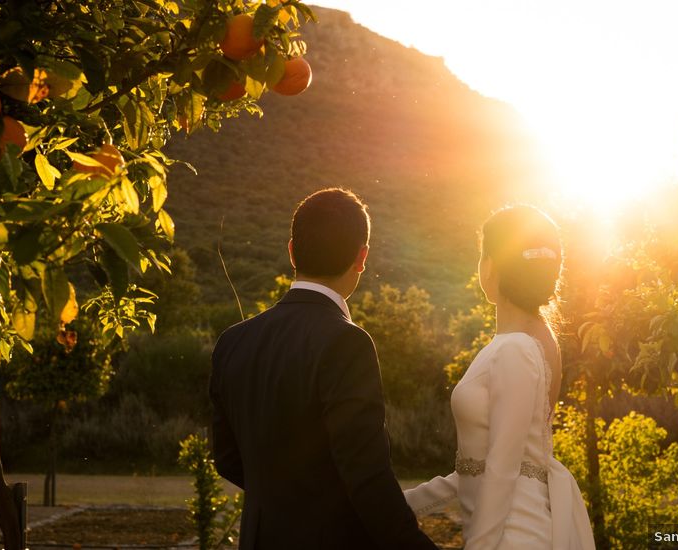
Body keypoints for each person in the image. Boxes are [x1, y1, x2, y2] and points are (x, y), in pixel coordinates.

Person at [209, 188, 438, 550]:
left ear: (291, 251)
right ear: (361, 257)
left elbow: (225, 457)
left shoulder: (233, 341)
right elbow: (366, 476)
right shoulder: (347, 343)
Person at [404, 205, 595, 550]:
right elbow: (477, 468)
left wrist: (478, 546)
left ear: (489, 265)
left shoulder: (517, 349)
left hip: (515, 537)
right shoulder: (520, 344)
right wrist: (405, 503)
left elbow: (503, 468)